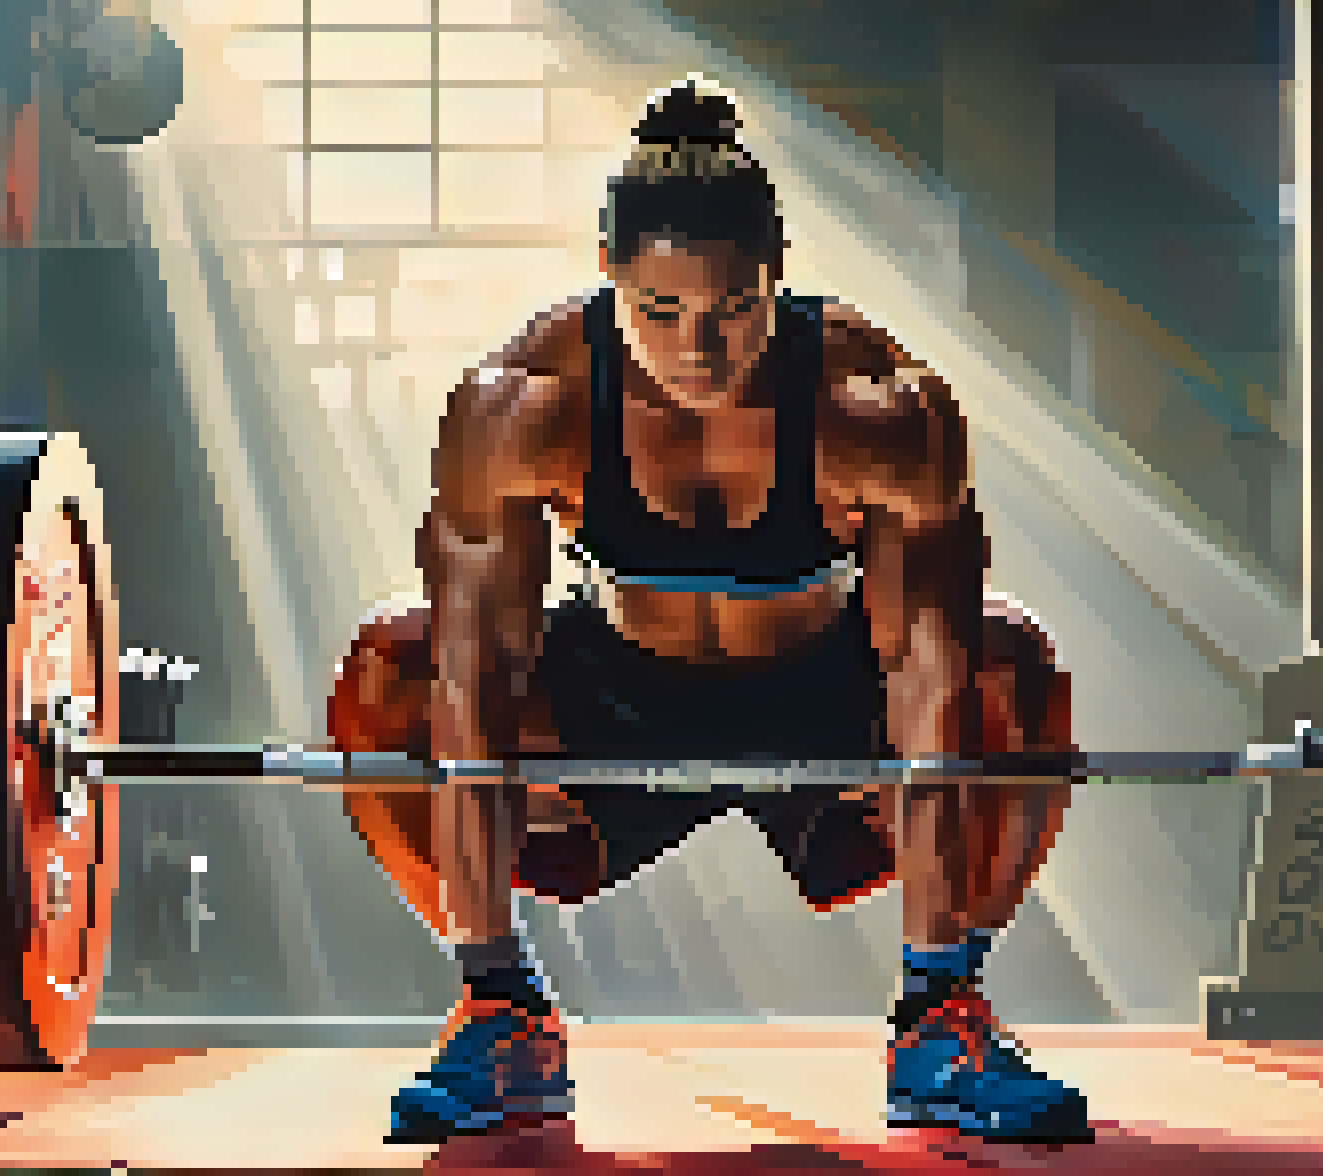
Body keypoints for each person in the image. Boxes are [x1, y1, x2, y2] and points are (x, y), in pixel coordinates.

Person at [329, 81, 1090, 1148]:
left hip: (822, 687)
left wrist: (930, 946)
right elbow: (477, 674)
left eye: (735, 310)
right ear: (609, 275)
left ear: (778, 271)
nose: (701, 350)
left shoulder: (876, 408)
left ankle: (940, 1020)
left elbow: (933, 672)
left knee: (1013, 663)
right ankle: (503, 1014)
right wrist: (489, 941)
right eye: (660, 312)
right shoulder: (522, 406)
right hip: (616, 697)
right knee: (391, 666)